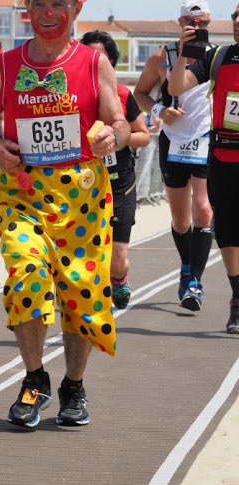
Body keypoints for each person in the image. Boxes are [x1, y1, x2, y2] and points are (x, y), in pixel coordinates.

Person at [0, 0, 131, 428]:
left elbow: (120, 122)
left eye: (57, 3)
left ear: (75, 9)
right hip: (23, 191)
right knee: (25, 276)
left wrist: (113, 137)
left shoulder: (92, 62)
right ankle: (33, 379)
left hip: (81, 196)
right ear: (26, 10)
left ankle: (73, 386)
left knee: (81, 294)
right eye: (39, 2)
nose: (48, 12)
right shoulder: (6, 63)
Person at [134, 0, 213, 312]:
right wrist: (158, 110)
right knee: (181, 220)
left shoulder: (216, 56)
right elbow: (140, 93)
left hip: (205, 136)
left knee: (204, 210)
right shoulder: (161, 56)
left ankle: (194, 281)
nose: (196, 29)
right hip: (173, 140)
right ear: (180, 24)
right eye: (191, 24)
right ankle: (186, 265)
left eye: (203, 23)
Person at [168, 4, 239, 334]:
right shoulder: (219, 57)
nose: (237, 21)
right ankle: (237, 301)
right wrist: (183, 54)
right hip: (224, 155)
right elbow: (174, 88)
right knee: (226, 231)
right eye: (236, 15)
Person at [80, 30, 150, 309]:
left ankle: (119, 279)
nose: (96, 62)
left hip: (119, 182)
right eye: (90, 56)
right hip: (81, 183)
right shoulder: (70, 95)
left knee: (117, 259)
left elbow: (143, 135)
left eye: (103, 58)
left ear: (111, 62)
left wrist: (116, 138)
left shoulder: (121, 94)